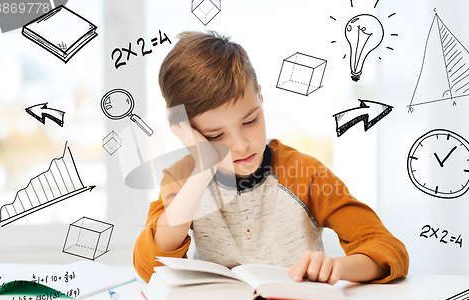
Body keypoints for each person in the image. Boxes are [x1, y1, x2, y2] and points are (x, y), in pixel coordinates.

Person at [133, 31, 409, 284]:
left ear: (260, 97)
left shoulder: (306, 173)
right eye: (216, 136)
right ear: (187, 129)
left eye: (250, 120)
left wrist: (336, 267)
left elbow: (388, 250)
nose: (240, 145)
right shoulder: (182, 180)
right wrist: (203, 167)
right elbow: (149, 266)